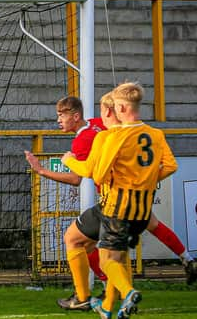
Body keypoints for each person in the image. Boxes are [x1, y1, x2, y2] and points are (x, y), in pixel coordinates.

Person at [63, 82, 178, 319]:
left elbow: (98, 174)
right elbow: (170, 165)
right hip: (142, 212)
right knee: (116, 257)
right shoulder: (155, 134)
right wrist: (144, 179)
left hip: (117, 207)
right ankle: (107, 307)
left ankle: (120, 293)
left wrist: (69, 161)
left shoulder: (113, 136)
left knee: (104, 259)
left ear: (120, 108)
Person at [25, 96, 108, 311]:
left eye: (62, 115)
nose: (58, 120)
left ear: (76, 116)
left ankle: (83, 298)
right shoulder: (98, 124)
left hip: (112, 199)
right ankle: (110, 287)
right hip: (121, 196)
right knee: (88, 246)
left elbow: (75, 179)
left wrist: (41, 170)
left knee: (72, 238)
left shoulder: (81, 139)